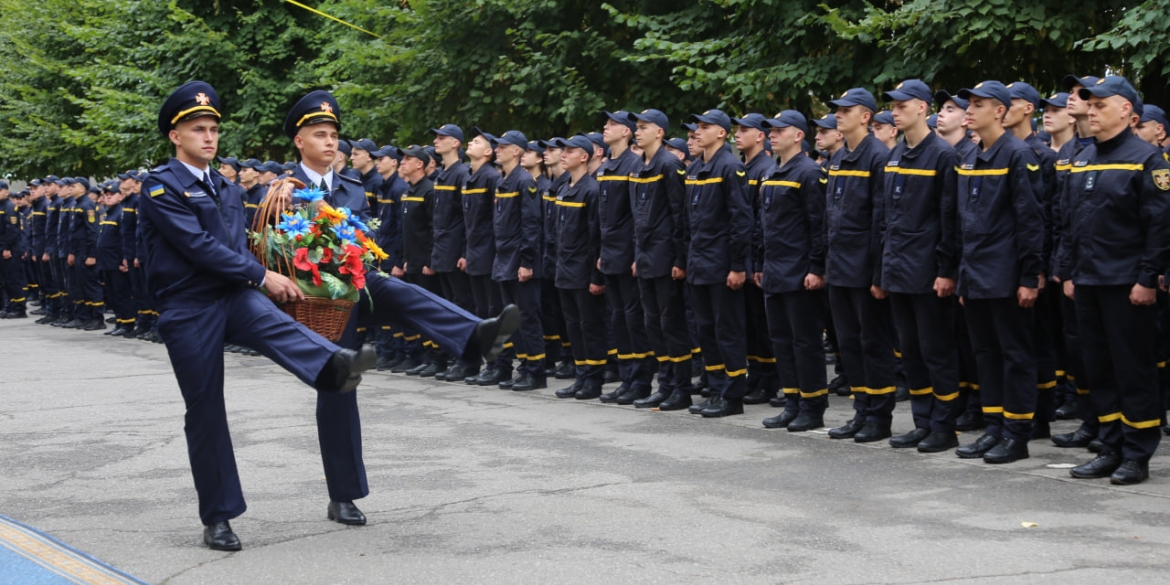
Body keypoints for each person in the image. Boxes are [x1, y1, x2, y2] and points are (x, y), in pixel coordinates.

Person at [138, 81, 378, 551]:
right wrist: (262, 276)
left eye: (212, 129)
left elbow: (240, 245)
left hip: (233, 293)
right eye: (197, 129)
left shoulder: (227, 188)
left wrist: (276, 270)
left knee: (279, 325)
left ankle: (332, 367)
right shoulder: (161, 186)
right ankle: (219, 516)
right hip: (189, 308)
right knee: (206, 410)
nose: (208, 137)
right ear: (175, 136)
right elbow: (198, 247)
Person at [1065, 76, 1170, 485]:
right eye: (1088, 105)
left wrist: (1147, 278)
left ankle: (1137, 452)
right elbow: (1070, 221)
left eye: (1100, 105)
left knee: (1133, 369)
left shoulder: (1147, 159)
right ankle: (1110, 445)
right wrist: (1070, 272)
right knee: (1098, 370)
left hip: (1127, 285)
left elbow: (1160, 227)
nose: (1090, 111)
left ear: (1126, 109)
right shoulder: (1084, 157)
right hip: (1088, 281)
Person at [952, 80, 1043, 464]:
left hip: (1005, 275)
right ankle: (993, 429)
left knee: (1015, 355)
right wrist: (961, 274)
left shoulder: (1018, 154)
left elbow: (1031, 220)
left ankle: (1017, 434)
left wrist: (1028, 276)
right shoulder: (971, 156)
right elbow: (963, 223)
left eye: (978, 104)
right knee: (985, 354)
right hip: (975, 275)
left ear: (1000, 112)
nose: (969, 111)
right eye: (968, 104)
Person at [875, 80, 962, 451]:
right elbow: (887, 218)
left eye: (902, 104)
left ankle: (944, 426)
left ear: (923, 108)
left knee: (936, 350)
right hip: (899, 269)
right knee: (910, 350)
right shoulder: (895, 156)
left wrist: (945, 270)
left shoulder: (942, 155)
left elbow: (950, 218)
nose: (895, 110)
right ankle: (923, 421)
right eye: (892, 105)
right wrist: (883, 271)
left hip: (928, 271)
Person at [822, 88, 897, 442]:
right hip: (839, 266)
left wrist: (879, 273)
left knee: (873, 343)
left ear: (866, 116)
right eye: (837, 109)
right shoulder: (839, 158)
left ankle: (879, 416)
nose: (838, 114)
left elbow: (882, 220)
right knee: (849, 343)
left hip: (864, 269)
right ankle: (861, 409)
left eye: (846, 110)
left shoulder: (877, 157)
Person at [753, 110, 829, 430]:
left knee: (805, 342)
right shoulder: (772, 171)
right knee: (781, 340)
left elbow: (818, 224)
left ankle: (812, 407)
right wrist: (758, 263)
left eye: (779, 130)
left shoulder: (809, 173)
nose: (772, 134)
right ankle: (793, 401)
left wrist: (816, 267)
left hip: (800, 273)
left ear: (798, 135)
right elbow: (764, 224)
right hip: (774, 270)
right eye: (770, 130)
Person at [681, 109, 753, 418]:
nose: (698, 131)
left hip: (722, 265)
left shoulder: (729, 166)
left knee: (728, 331)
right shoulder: (696, 168)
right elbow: (689, 221)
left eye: (705, 127)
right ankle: (715, 388)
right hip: (700, 264)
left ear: (722, 133)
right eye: (697, 126)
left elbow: (741, 220)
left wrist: (737, 266)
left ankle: (733, 395)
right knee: (707, 331)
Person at [597, 111, 655, 404]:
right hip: (610, 253)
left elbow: (637, 216)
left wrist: (635, 254)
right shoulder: (607, 165)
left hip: (628, 255)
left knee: (634, 319)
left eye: (612, 124)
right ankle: (626, 377)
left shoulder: (634, 164)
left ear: (627, 132)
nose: (606, 128)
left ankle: (641, 380)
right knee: (618, 318)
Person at [550, 135, 607, 400]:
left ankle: (593, 380)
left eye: (570, 151)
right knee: (573, 326)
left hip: (583, 273)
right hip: (565, 270)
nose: (564, 154)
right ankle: (581, 375)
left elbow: (596, 237)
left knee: (589, 326)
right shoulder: (564, 189)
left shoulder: (591, 190)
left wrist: (596, 276)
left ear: (584, 157)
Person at [491, 130, 547, 390]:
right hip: (505, 258)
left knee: (527, 317)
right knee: (513, 318)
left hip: (519, 260)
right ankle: (524, 367)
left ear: (517, 151)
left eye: (503, 147)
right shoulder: (505, 180)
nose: (497, 150)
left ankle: (536, 371)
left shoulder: (525, 181)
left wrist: (527, 262)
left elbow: (531, 224)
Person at [429, 124, 477, 381]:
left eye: (442, 137)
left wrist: (464, 252)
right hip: (442, 249)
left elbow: (467, 218)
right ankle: (456, 357)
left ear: (456, 143)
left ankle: (469, 360)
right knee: (449, 307)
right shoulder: (442, 174)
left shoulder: (461, 174)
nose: (437, 141)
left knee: (462, 307)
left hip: (455, 250)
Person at [97, 184, 135, 334]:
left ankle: (127, 323)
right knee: (112, 294)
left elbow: (124, 238)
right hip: (106, 261)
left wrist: (123, 259)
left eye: (111, 194)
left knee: (122, 294)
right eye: (106, 195)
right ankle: (119, 321)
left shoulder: (120, 213)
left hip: (117, 261)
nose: (107, 197)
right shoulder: (108, 213)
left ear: (120, 196)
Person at [68, 181, 104, 330]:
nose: (70, 189)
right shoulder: (78, 204)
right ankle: (87, 316)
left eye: (73, 186)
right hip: (78, 250)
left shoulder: (87, 205)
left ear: (82, 189)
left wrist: (92, 255)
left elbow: (93, 232)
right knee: (82, 285)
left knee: (91, 285)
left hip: (85, 251)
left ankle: (98, 318)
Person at [0, 181, 28, 319]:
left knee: (13, 279)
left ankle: (19, 308)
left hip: (10, 249)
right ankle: (9, 306)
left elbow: (12, 230)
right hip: (2, 247)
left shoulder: (10, 207)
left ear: (6, 192)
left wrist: (6, 248)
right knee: (4, 280)